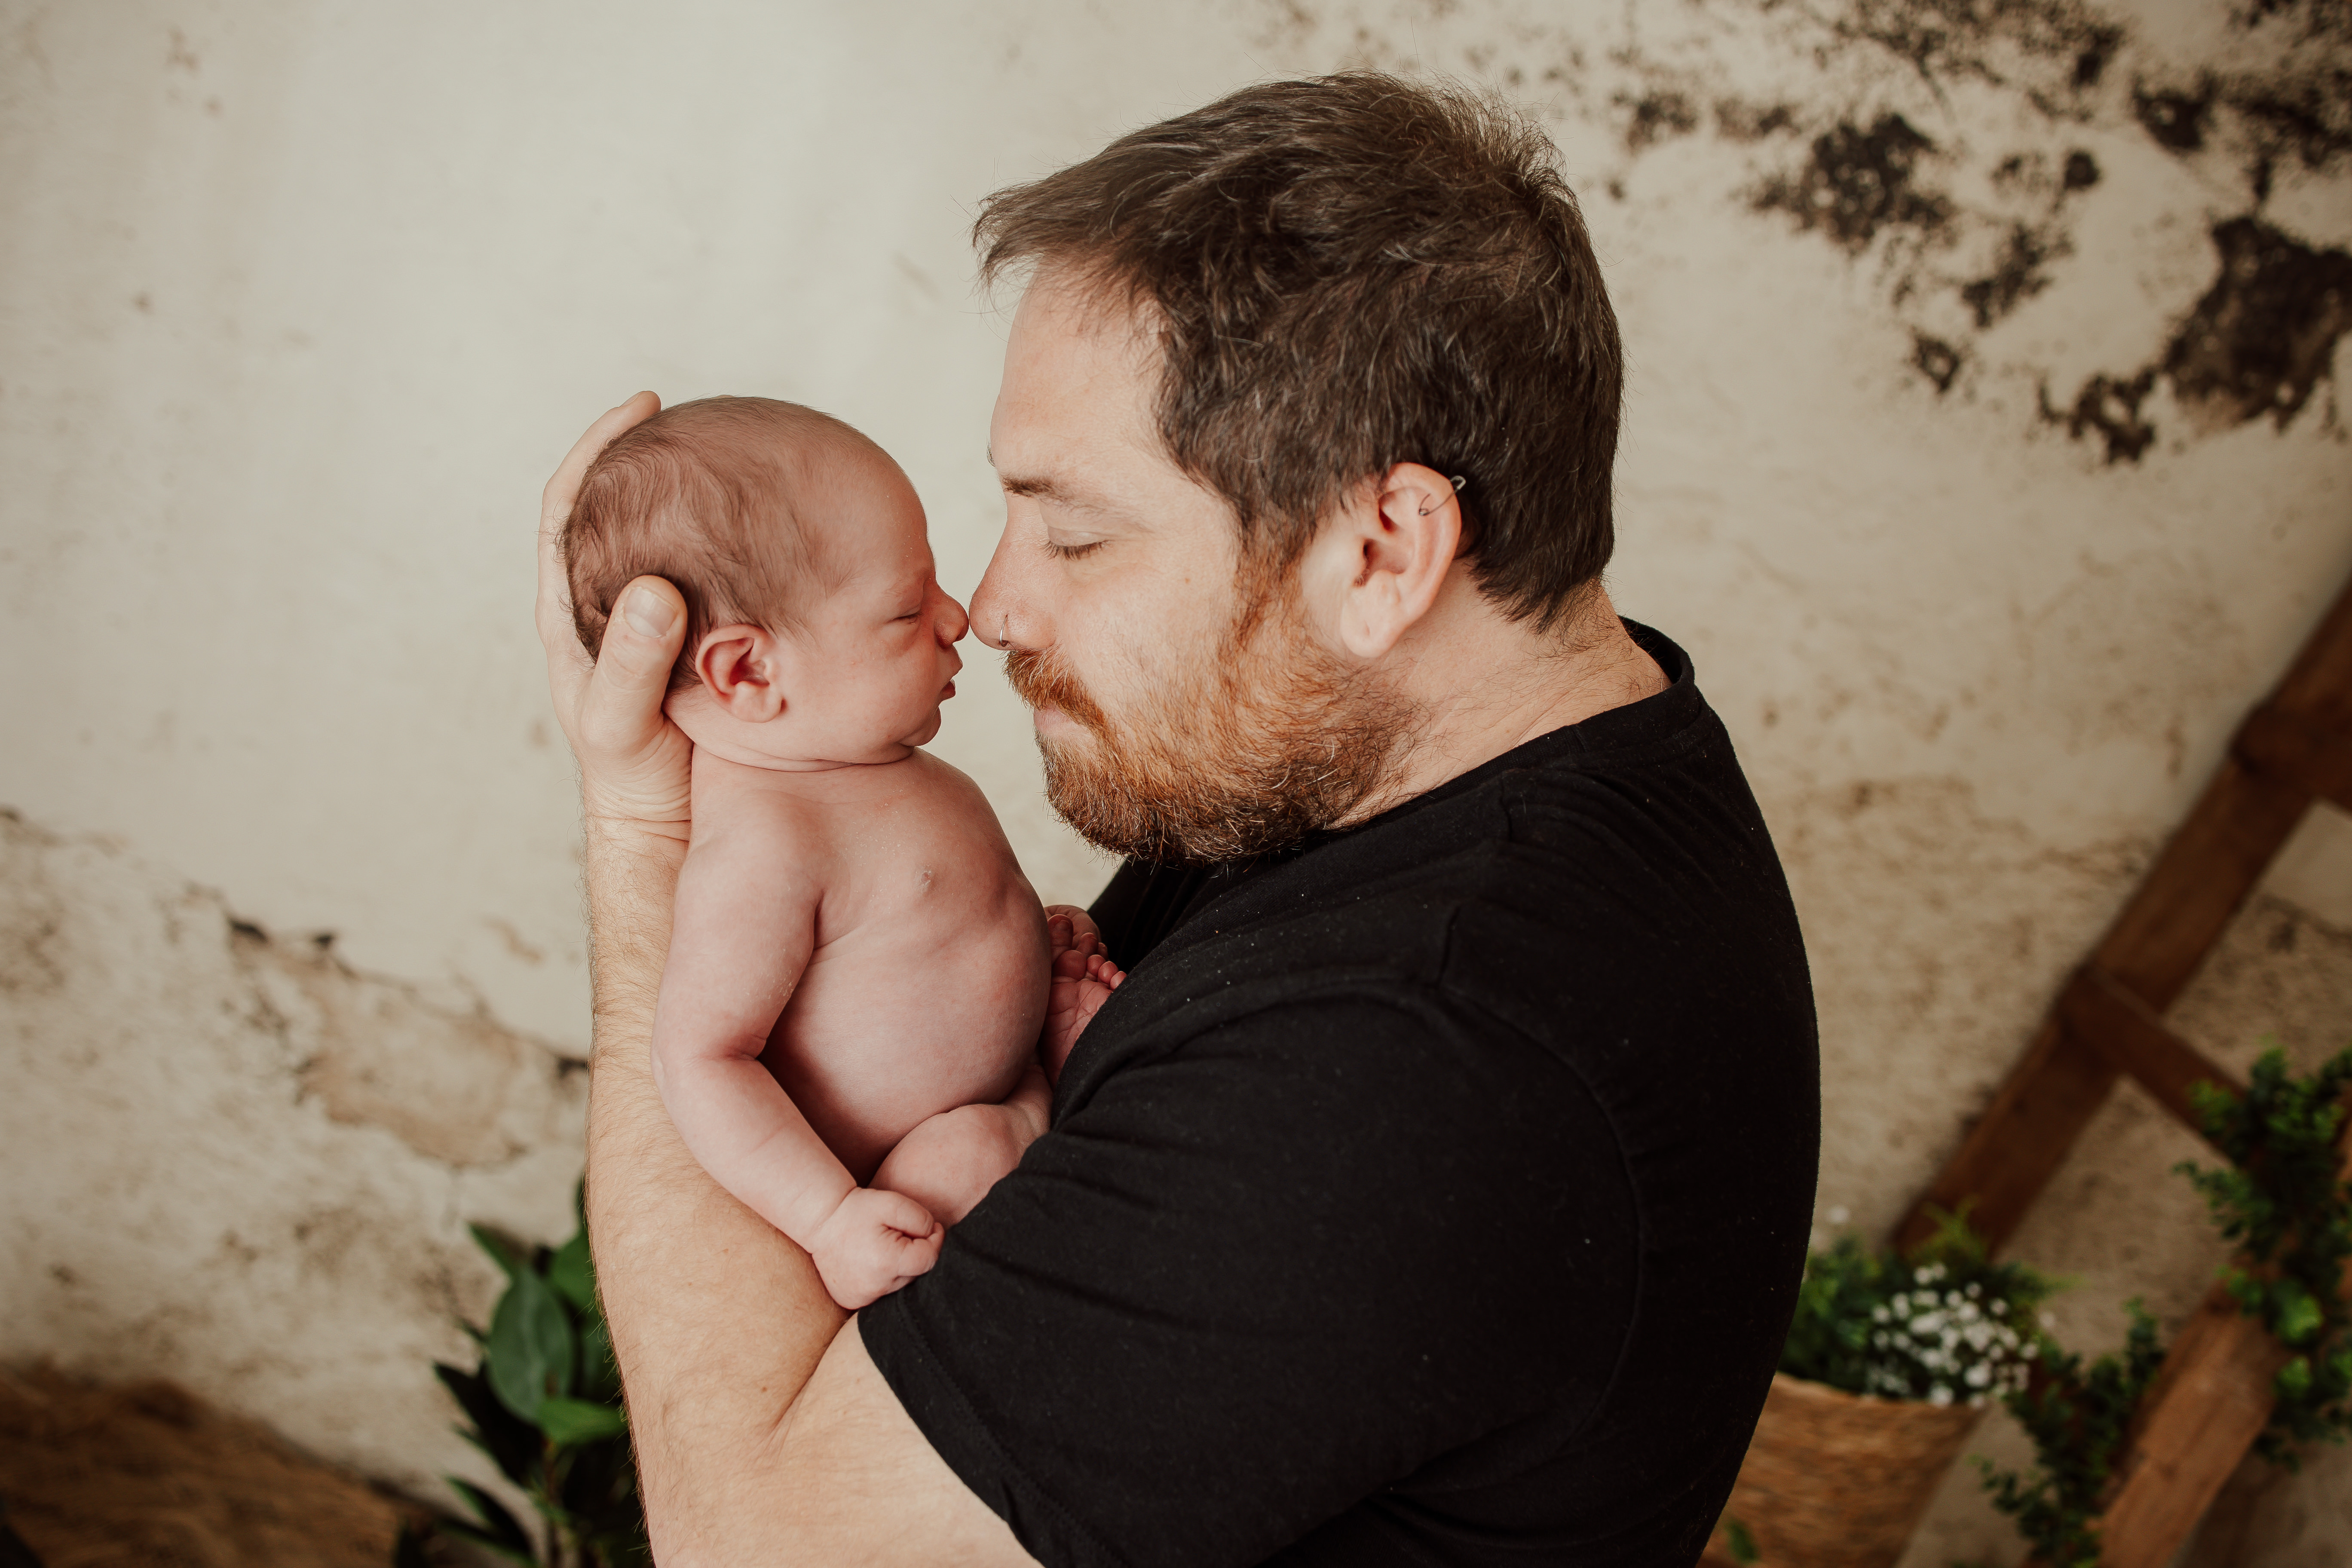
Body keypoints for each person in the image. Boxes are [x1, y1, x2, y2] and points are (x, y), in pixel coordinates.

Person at [537, 73, 1819, 1568]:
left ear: (1382, 547)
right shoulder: (1390, 761)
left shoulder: (1411, 1056)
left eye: (1075, 530)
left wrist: (644, 825)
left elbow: (756, 1543)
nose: (997, 606)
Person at [559, 395, 1124, 1310]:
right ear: (748, 673)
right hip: (910, 1168)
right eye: (907, 608)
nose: (957, 617)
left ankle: (1052, 1084)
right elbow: (701, 1058)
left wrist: (1025, 936)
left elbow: (913, 920)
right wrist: (827, 1218)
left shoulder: (871, 764)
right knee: (972, 1160)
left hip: (999, 1078)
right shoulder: (764, 840)